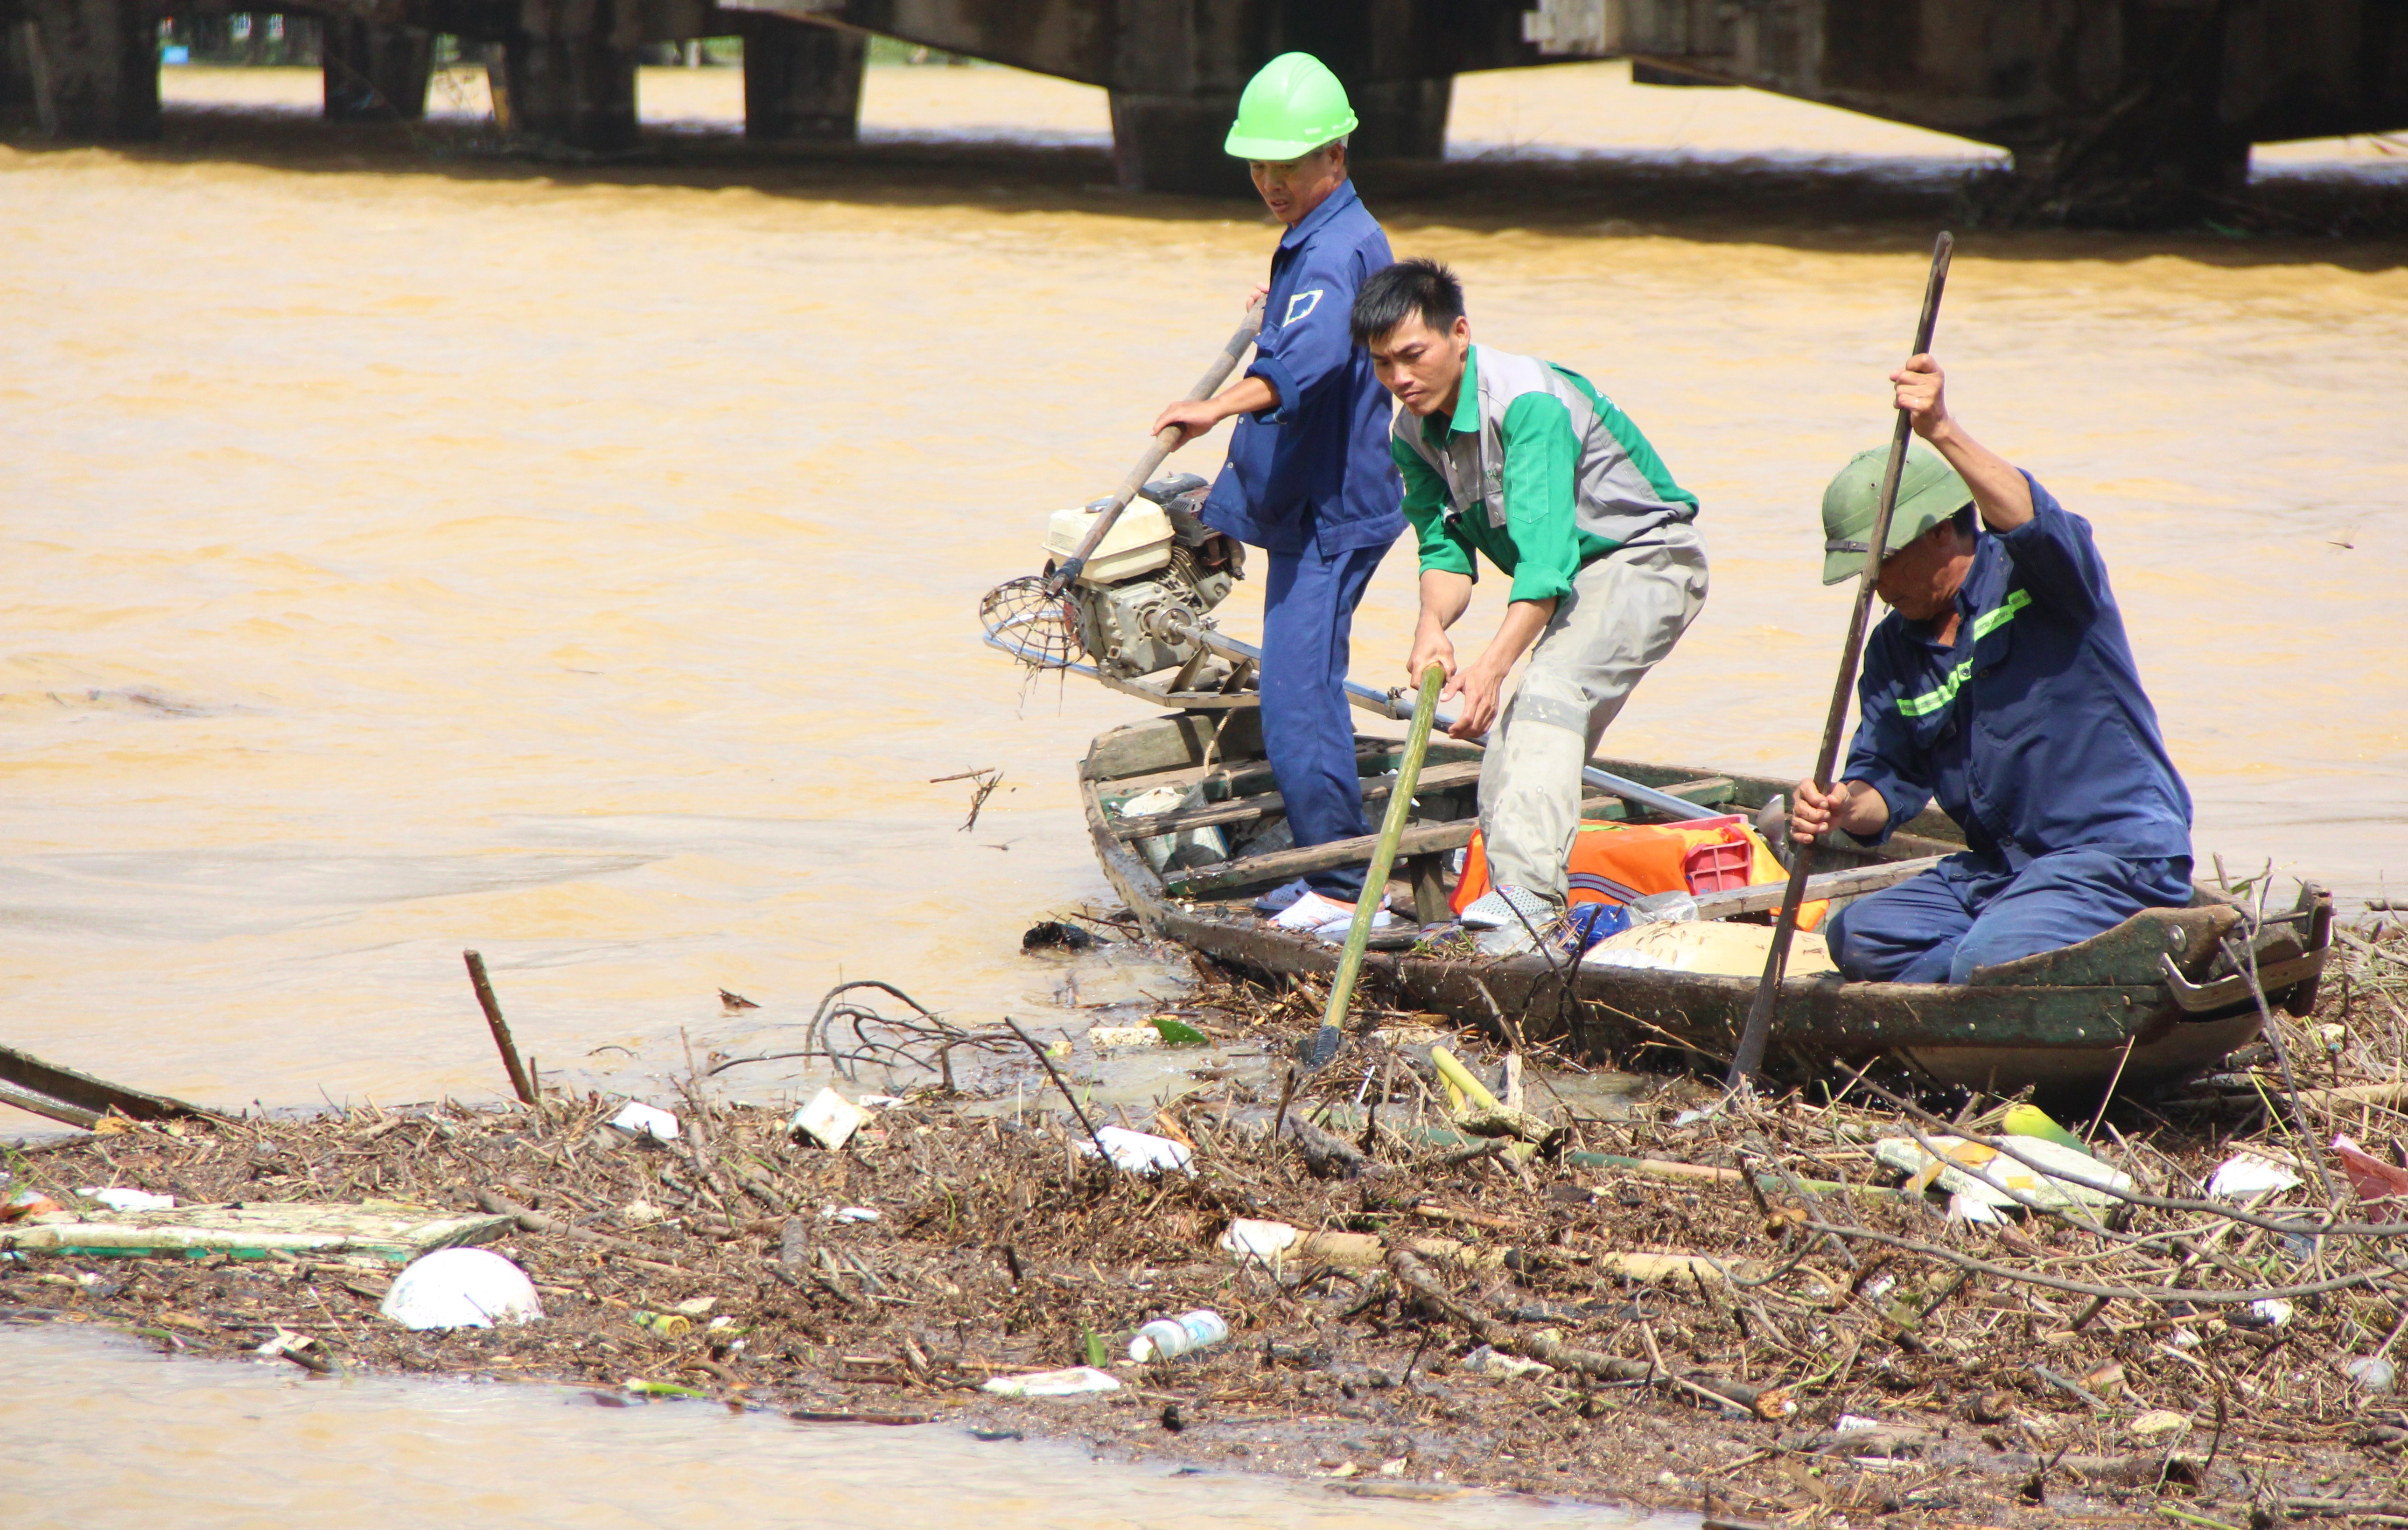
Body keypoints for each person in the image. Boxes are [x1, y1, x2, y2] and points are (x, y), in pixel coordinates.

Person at [1790, 353, 2194, 984]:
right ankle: (1985, 968)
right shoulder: (1894, 651)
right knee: (1856, 936)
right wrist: (1842, 807)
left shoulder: (2039, 578)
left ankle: (1981, 970)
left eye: (1881, 564)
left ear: (1937, 534)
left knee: (1988, 961)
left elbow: (2035, 519)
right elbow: (1884, 783)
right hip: (2006, 872)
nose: (1872, 586)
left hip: (2112, 855)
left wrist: (1942, 429)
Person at [1353, 258, 1707, 943]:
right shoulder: (1412, 434)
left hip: (1645, 560)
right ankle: (1516, 908)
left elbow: (1542, 571)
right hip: (1577, 580)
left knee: (1547, 694)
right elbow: (1444, 553)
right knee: (1517, 737)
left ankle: (1531, 904)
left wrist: (1488, 668)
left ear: (1459, 334)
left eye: (1412, 355)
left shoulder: (1527, 405)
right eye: (1380, 363)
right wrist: (1431, 627)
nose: (1399, 378)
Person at [1150, 53, 1403, 916]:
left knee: (1298, 698)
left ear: (1334, 156)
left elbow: (1310, 366)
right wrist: (1279, 297)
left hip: (1335, 510)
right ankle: (1330, 865)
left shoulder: (1334, 251)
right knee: (1304, 686)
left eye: (1287, 166)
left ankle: (1338, 889)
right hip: (1314, 502)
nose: (1270, 182)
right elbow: (1308, 321)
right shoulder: (1326, 241)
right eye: (1258, 166)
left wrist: (1215, 407)